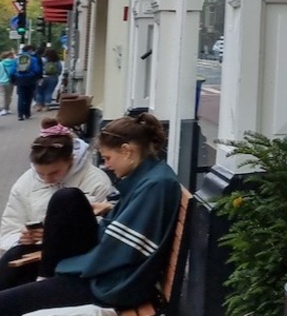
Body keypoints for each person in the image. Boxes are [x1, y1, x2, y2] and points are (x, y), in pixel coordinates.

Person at [0, 112, 181, 314]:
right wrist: (108, 208)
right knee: (66, 199)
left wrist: (68, 267)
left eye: (108, 158)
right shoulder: (151, 178)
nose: (107, 165)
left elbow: (120, 250)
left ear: (127, 151)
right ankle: (45, 278)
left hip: (110, 285)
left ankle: (46, 278)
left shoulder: (156, 185)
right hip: (104, 272)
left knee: (6, 302)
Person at [0, 121, 114, 289]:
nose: (47, 180)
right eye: (40, 174)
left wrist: (53, 234)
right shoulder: (25, 183)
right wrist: (22, 237)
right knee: (15, 255)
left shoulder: (96, 181)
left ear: (71, 159)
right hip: (33, 254)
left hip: (76, 257)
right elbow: (8, 229)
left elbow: (98, 230)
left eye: (54, 173)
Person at [10, 47, 42, 121]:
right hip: (30, 79)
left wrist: (13, 79)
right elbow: (37, 70)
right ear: (29, 51)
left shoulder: (17, 59)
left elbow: (11, 71)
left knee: (21, 97)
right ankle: (27, 113)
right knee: (29, 96)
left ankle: (20, 115)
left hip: (20, 79)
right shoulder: (33, 59)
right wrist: (35, 76)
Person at [0, 52, 14, 117]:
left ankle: (3, 109)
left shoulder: (1, 63)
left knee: (3, 95)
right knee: (9, 95)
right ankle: (7, 108)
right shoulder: (13, 63)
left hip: (1, 81)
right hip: (10, 81)